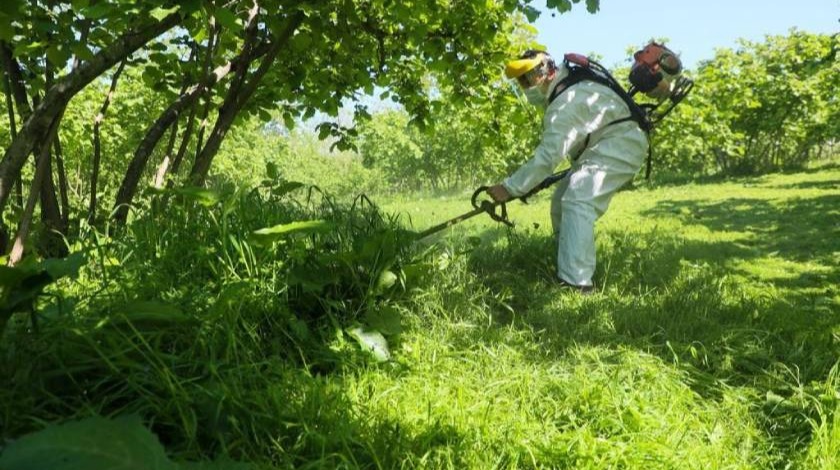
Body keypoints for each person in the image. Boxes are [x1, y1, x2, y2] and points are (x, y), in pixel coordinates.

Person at [486, 46, 681, 294]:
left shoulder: (566, 101)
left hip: (622, 143)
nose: (526, 86)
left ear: (547, 70)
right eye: (521, 82)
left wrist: (509, 187)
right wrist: (532, 180)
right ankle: (565, 260)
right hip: (608, 143)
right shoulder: (568, 89)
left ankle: (576, 285)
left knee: (579, 197)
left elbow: (549, 155)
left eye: (529, 77)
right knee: (560, 200)